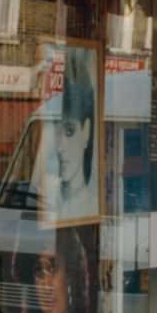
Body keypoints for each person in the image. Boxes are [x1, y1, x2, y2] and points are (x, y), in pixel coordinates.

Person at [48, 46, 98, 223]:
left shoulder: (93, 207)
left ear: (86, 132)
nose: (60, 147)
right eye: (56, 132)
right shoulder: (48, 201)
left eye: (69, 131)